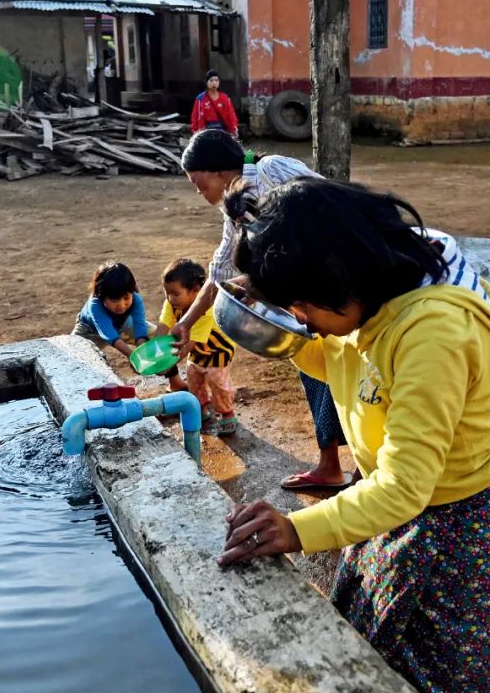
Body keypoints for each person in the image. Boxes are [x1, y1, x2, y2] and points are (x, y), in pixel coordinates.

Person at [217, 178, 490, 693]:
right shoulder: (367, 305)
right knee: (373, 630)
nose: (301, 318)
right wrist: (275, 322)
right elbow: (337, 359)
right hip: (390, 492)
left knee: (442, 671)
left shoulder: (433, 333)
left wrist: (297, 528)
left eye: (302, 305)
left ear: (340, 278)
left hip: (462, 515)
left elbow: (405, 487)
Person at [173, 128, 355, 489]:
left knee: (355, 377)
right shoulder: (235, 207)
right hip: (307, 295)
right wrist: (188, 322)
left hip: (343, 283)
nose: (197, 191)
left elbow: (330, 217)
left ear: (217, 170)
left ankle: (368, 469)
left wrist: (259, 284)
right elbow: (221, 271)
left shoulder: (274, 170)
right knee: (317, 372)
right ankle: (330, 464)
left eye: (198, 181)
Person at [155, 258, 237, 435]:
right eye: (167, 292)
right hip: (196, 352)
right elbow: (163, 326)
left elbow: (188, 345)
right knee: (194, 380)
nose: (170, 298)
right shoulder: (172, 304)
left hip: (216, 352)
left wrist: (166, 365)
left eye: (175, 294)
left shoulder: (205, 311)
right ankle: (201, 409)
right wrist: (154, 352)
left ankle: (227, 414)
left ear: (196, 291)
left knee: (218, 383)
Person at [72, 261, 152, 360]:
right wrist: (133, 357)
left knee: (157, 336)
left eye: (126, 298)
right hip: (90, 330)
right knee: (73, 354)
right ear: (101, 296)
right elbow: (109, 334)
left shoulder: (136, 298)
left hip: (122, 323)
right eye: (114, 300)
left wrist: (142, 349)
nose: (121, 305)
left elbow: (139, 325)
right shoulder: (95, 305)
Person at [190, 70, 238, 136]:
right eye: (211, 80)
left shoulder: (225, 98)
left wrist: (234, 129)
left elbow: (231, 115)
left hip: (222, 131)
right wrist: (195, 132)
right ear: (206, 82)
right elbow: (194, 117)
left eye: (216, 80)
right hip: (205, 132)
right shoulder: (200, 99)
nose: (214, 83)